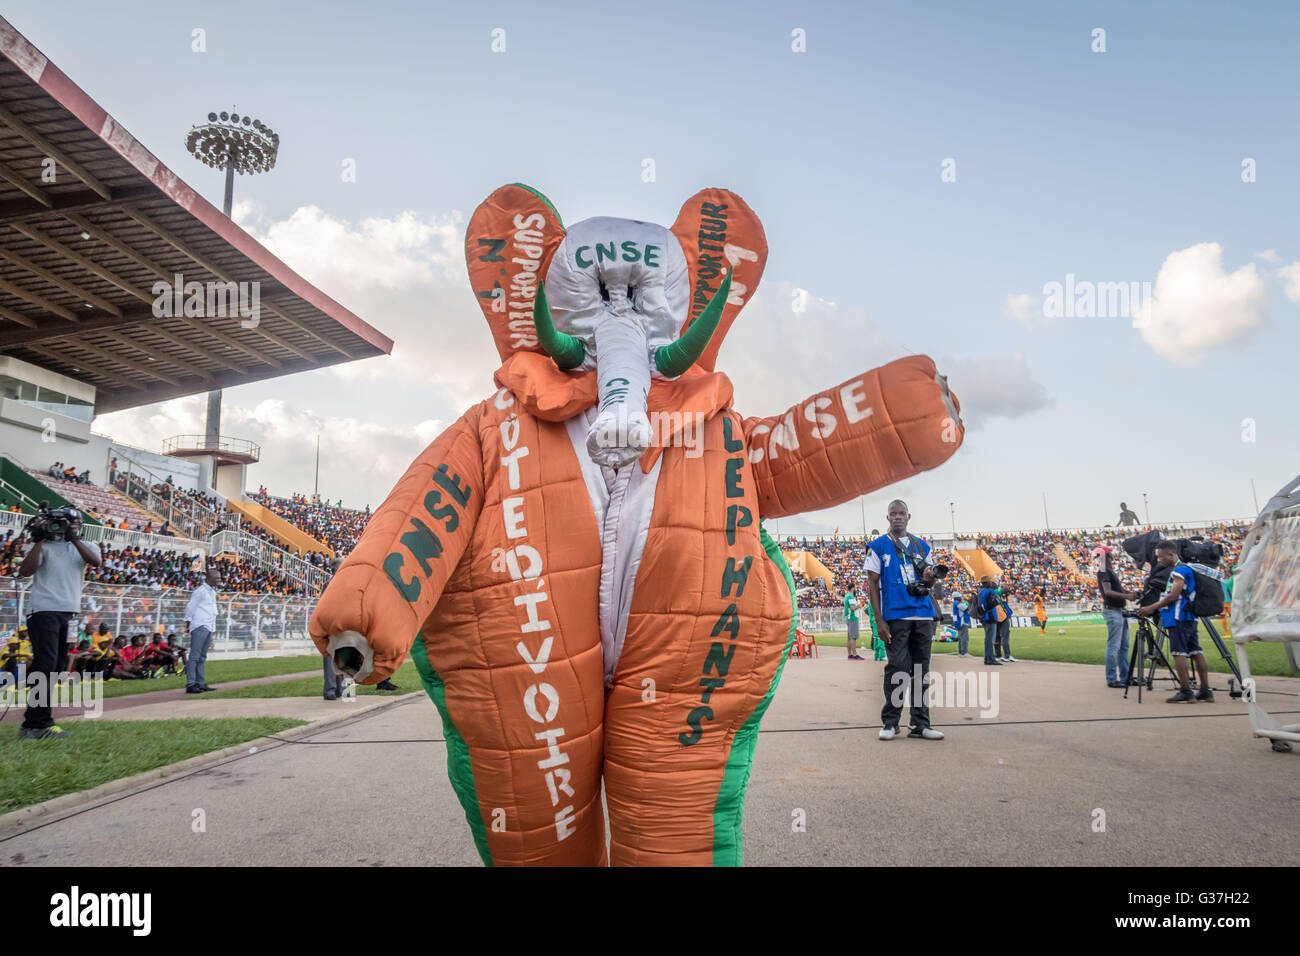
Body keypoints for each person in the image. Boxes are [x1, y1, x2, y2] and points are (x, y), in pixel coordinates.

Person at [16, 509, 102, 738]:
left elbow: (96, 562)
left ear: (78, 525)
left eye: (70, 523)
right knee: (46, 664)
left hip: (66, 612)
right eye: (61, 523)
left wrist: (73, 538)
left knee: (55, 665)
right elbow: (25, 571)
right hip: (43, 610)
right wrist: (39, 539)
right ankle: (39, 724)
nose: (63, 526)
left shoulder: (85, 546)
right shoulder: (42, 545)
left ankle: (33, 723)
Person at [865, 500, 944, 740]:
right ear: (887, 517)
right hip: (896, 616)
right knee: (897, 668)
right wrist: (879, 620)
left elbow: (930, 582)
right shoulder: (877, 546)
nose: (897, 517)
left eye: (901, 513)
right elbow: (872, 583)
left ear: (908, 516)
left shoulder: (922, 546)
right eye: (893, 513)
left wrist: (931, 576)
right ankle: (891, 722)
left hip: (922, 614)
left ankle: (920, 723)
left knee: (922, 671)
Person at [1138, 541, 1214, 703]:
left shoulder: (1180, 571)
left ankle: (1186, 690)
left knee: (1179, 653)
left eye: (1160, 556)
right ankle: (1206, 690)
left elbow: (1173, 596)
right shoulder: (1187, 569)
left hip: (1178, 617)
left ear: (1171, 555)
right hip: (1189, 617)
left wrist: (1151, 608)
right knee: (1196, 652)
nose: (1158, 560)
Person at [1095, 546, 1138, 687]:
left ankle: (1126, 677)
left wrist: (1131, 593)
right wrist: (1127, 595)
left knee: (1124, 646)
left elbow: (1114, 590)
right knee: (1114, 646)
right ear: (1106, 555)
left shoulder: (1108, 571)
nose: (1112, 554)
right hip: (1113, 611)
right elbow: (1107, 592)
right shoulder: (1104, 570)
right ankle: (1112, 679)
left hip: (1119, 611)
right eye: (1110, 553)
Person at [183, 567, 222, 694]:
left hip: (209, 625)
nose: (219, 580)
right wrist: (188, 622)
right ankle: (190, 684)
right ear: (209, 578)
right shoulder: (200, 591)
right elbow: (191, 607)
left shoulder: (212, 591)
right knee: (194, 656)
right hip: (200, 625)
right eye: (217, 578)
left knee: (202, 657)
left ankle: (200, 682)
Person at [976, 576, 1003, 666]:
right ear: (987, 583)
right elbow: (991, 604)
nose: (991, 583)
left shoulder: (980, 591)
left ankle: (987, 658)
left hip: (983, 616)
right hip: (990, 616)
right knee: (990, 639)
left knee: (987, 639)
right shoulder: (988, 592)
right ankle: (990, 659)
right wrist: (997, 599)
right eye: (990, 581)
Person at [843, 587, 864, 660]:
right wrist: (859, 606)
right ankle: (854, 654)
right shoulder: (850, 596)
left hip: (849, 618)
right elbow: (852, 608)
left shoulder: (846, 596)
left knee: (849, 637)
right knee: (853, 637)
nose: (856, 589)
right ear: (852, 588)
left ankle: (850, 654)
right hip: (853, 618)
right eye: (855, 588)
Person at [951, 592, 971, 657]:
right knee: (964, 638)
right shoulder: (957, 603)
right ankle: (964, 652)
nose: (961, 598)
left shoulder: (955, 603)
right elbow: (967, 608)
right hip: (962, 622)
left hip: (958, 622)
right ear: (957, 597)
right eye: (960, 596)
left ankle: (961, 652)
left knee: (960, 637)